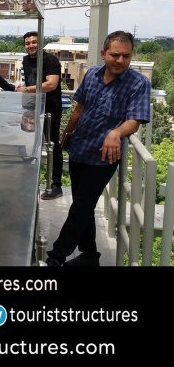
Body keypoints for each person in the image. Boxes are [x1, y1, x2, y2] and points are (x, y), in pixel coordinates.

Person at [45, 31, 151, 267]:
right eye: (115, 55)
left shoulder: (138, 83)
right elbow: (79, 108)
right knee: (84, 205)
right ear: (104, 54)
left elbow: (135, 120)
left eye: (126, 56)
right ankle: (90, 255)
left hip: (104, 156)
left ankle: (56, 256)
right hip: (79, 148)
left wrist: (116, 133)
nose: (120, 60)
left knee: (82, 204)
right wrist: (67, 134)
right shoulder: (92, 73)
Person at [18, 31, 63, 200]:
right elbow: (30, 81)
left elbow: (51, 84)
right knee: (30, 142)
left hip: (50, 109)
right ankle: (28, 179)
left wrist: (26, 90)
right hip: (32, 107)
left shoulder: (50, 60)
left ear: (41, 43)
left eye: (34, 42)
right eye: (28, 43)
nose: (31, 45)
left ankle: (55, 184)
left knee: (52, 145)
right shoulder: (25, 60)